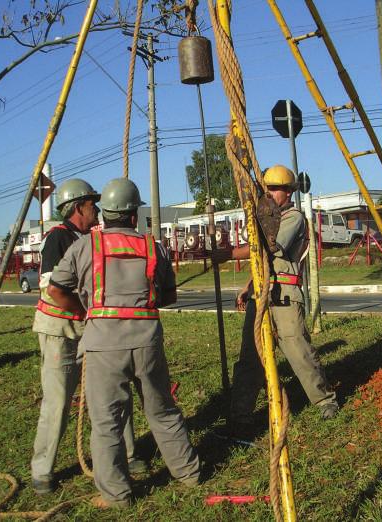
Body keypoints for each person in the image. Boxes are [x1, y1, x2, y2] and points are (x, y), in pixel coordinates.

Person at [47, 177, 200, 508]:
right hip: (146, 341)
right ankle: (188, 473)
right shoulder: (153, 247)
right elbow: (169, 296)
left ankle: (117, 496)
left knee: (107, 422)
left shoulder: (85, 246)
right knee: (162, 410)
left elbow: (56, 290)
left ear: (105, 214)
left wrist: (86, 311)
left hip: (103, 345)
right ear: (134, 215)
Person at [30, 178, 145, 495]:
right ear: (78, 207)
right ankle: (42, 471)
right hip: (61, 331)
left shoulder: (90, 238)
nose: (97, 209)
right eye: (91, 204)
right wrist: (85, 312)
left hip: (90, 329)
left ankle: (128, 454)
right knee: (58, 400)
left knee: (113, 391)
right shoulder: (58, 239)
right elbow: (54, 291)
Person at [217, 165, 338, 432]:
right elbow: (264, 261)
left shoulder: (293, 217)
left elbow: (268, 247)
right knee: (251, 356)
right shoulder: (266, 218)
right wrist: (248, 286)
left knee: (298, 350)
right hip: (261, 294)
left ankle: (324, 400)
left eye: (277, 189)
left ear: (290, 191)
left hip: (284, 295)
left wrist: (227, 254)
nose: (271, 194)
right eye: (268, 189)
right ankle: (240, 414)